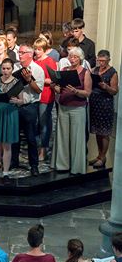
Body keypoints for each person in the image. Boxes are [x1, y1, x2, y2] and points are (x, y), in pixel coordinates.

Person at [51, 47, 91, 175]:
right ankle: (63, 164)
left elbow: (88, 92)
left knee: (76, 138)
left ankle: (76, 167)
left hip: (77, 107)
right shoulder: (64, 70)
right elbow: (60, 90)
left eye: (75, 57)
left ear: (80, 58)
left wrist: (76, 91)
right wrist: (54, 87)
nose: (72, 59)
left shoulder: (85, 72)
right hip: (63, 106)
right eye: (70, 56)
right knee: (63, 136)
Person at [11, 44, 45, 176]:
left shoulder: (37, 69)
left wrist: (29, 80)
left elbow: (38, 90)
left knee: (31, 137)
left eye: (22, 52)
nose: (19, 54)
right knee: (14, 135)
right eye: (19, 52)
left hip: (30, 106)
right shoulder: (16, 67)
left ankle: (34, 165)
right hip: (15, 104)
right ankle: (14, 161)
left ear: (30, 54)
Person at [88, 50, 118, 168]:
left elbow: (115, 91)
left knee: (104, 132)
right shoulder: (95, 70)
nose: (101, 63)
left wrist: (106, 87)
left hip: (105, 104)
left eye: (103, 61)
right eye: (99, 60)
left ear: (108, 60)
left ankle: (103, 156)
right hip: (94, 103)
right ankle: (99, 155)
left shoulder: (112, 72)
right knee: (97, 131)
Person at [33, 37, 58, 162]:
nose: (37, 52)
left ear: (44, 49)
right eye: (35, 49)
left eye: (39, 49)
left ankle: (43, 149)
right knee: (36, 123)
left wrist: (39, 80)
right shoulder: (34, 62)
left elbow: (53, 80)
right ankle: (38, 147)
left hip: (46, 95)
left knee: (44, 123)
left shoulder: (50, 61)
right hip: (35, 95)